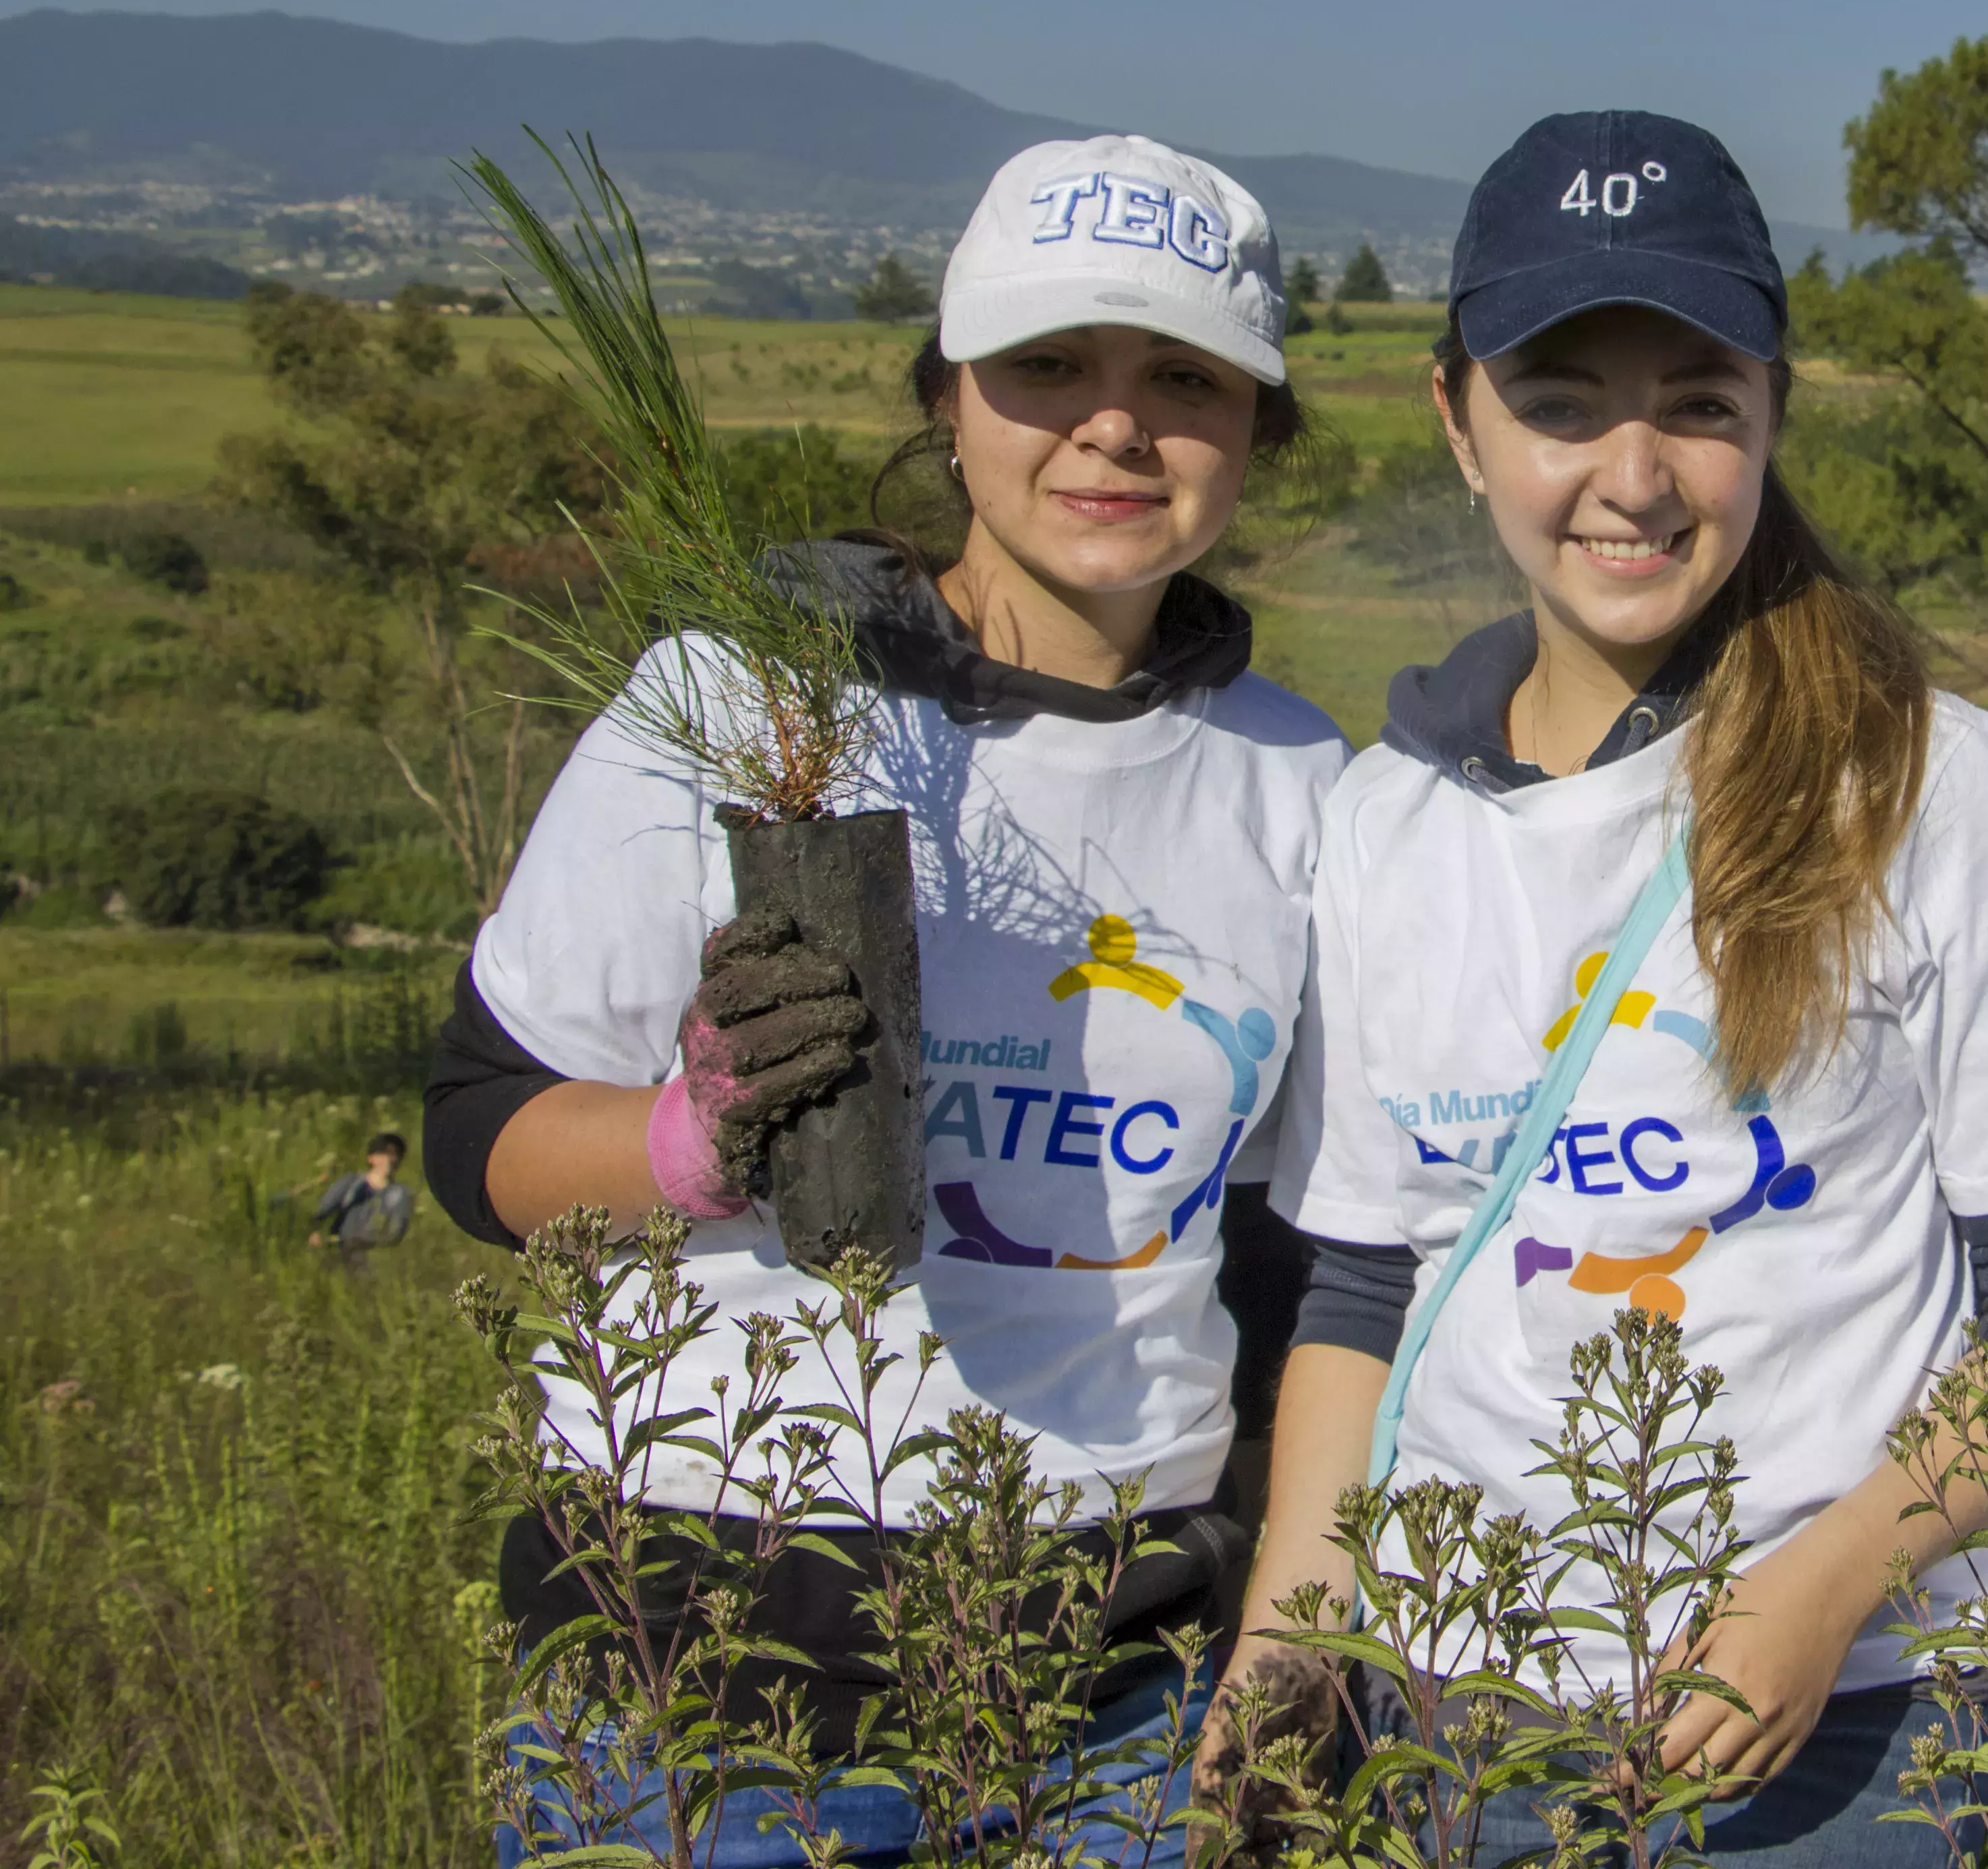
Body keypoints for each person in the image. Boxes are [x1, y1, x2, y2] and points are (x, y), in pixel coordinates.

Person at [1215, 112, 1988, 1864]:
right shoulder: (1381, 818)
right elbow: (1364, 1287)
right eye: (1563, 402)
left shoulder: (1927, 781)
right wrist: (1292, 1649)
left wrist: (1829, 1589)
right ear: (1455, 420)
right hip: (1458, 1729)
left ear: (1774, 414)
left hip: (1854, 1749)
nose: (1633, 475)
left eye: (1700, 402)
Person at [422, 134, 1346, 1868]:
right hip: (691, 1684)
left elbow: (1289, 1254)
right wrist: (683, 1146)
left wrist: (1283, 1613)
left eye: (1183, 379)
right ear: (948, 399)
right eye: (1048, 366)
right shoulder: (732, 700)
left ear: (1255, 428)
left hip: (1114, 1699)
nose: (1113, 426)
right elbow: (476, 1139)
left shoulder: (1296, 782)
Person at [307, 1130, 416, 1255]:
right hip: (335, 1250)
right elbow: (322, 1211)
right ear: (371, 1158)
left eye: (395, 1154)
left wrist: (361, 1242)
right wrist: (315, 1233)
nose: (390, 1159)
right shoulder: (351, 1183)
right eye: (385, 1153)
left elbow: (395, 1233)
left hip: (370, 1256)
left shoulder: (400, 1195)